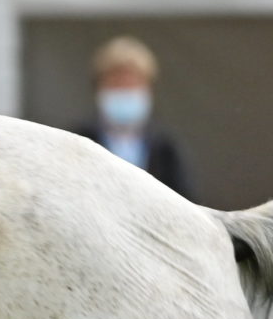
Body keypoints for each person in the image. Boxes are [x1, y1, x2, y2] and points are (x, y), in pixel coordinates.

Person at [71, 36, 192, 198]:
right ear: (98, 89)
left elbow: (186, 203)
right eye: (116, 84)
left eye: (132, 85)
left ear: (148, 89)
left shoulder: (164, 148)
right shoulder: (78, 141)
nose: (124, 92)